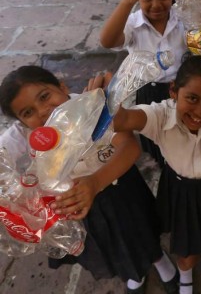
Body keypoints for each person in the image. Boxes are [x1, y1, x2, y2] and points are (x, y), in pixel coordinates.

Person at [0, 66, 180, 294]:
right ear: (21, 123)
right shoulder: (27, 135)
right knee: (114, 247)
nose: (43, 111)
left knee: (142, 234)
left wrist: (95, 182)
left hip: (120, 189)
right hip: (82, 207)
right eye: (27, 112)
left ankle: (162, 263)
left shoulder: (92, 106)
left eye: (45, 97)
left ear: (62, 87)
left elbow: (130, 146)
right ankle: (135, 273)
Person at [111, 55, 201, 294]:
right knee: (187, 250)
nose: (200, 111)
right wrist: (110, 97)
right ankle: (186, 276)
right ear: (173, 91)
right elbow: (123, 119)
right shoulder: (160, 116)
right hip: (183, 192)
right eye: (192, 98)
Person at [100, 0, 199, 168]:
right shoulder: (133, 23)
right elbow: (107, 41)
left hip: (180, 90)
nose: (156, 5)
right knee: (155, 137)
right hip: (148, 91)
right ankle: (164, 166)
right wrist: (126, 2)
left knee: (184, 131)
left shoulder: (183, 18)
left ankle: (186, 163)